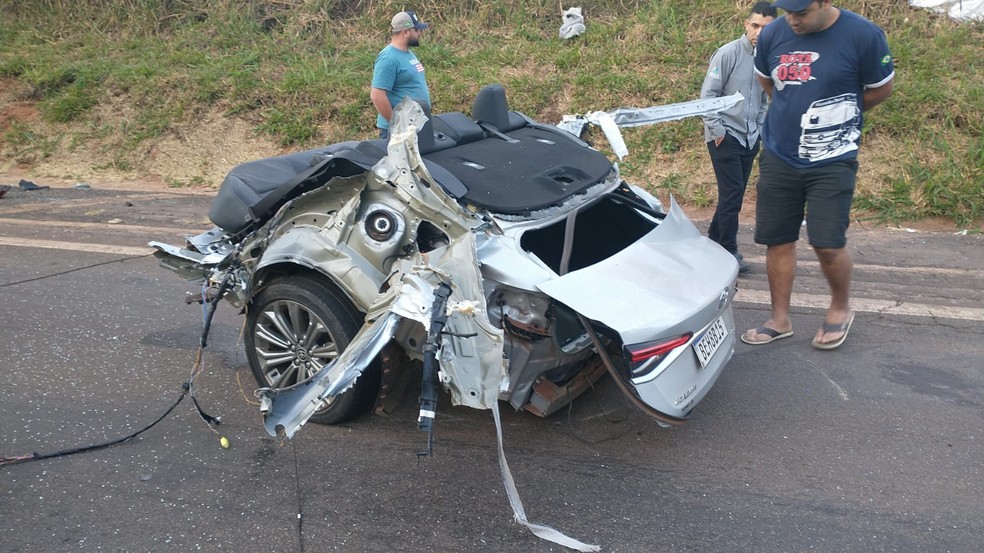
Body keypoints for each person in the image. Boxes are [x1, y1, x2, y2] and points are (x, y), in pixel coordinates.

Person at [742, 0, 894, 349]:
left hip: (833, 157)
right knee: (777, 239)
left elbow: (880, 88)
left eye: (801, 12)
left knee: (827, 242)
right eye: (787, 12)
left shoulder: (863, 35)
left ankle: (840, 308)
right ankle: (779, 319)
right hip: (779, 153)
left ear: (825, 2)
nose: (792, 20)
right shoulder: (773, 34)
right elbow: (767, 81)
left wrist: (841, 113)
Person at [700, 1, 777, 273]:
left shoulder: (767, 58)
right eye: (755, 25)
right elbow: (708, 96)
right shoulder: (728, 54)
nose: (758, 32)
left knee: (733, 195)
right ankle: (728, 250)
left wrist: (759, 129)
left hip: (749, 137)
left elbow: (764, 99)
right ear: (746, 24)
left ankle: (713, 243)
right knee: (732, 195)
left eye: (766, 28)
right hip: (726, 135)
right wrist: (718, 131)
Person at [370, 10, 431, 140]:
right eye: (416, 30)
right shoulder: (388, 58)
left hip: (414, 127)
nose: (419, 33)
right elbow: (377, 95)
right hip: (399, 132)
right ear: (406, 32)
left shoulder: (408, 53)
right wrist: (396, 125)